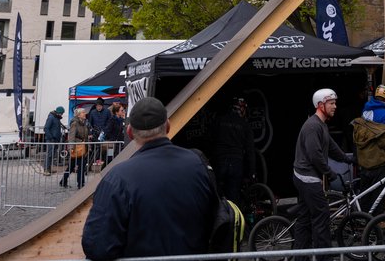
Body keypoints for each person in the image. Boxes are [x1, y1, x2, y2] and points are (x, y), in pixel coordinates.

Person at [81, 96, 221, 261]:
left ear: (130, 132)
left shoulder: (117, 178)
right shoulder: (199, 164)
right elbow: (216, 220)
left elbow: (97, 246)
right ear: (167, 126)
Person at [292, 88, 353, 252]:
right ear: (320, 105)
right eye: (331, 103)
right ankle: (324, 256)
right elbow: (315, 156)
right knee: (322, 217)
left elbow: (331, 147)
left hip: (306, 177)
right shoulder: (312, 126)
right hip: (307, 178)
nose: (335, 106)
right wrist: (329, 173)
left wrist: (348, 159)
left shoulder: (321, 125)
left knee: (304, 219)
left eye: (335, 103)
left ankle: (301, 256)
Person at [353, 84, 385, 213]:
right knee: (378, 196)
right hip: (378, 162)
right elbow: (384, 141)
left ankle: (363, 218)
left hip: (364, 162)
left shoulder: (365, 110)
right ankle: (377, 221)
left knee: (366, 193)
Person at [209, 96, 256, 205]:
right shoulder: (245, 125)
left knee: (216, 196)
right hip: (236, 163)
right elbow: (250, 151)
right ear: (242, 109)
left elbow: (209, 140)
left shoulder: (219, 120)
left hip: (219, 161)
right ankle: (232, 215)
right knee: (233, 199)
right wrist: (252, 172)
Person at [63, 107, 90, 189]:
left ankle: (65, 181)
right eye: (83, 112)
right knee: (75, 166)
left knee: (75, 166)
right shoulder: (74, 123)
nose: (85, 114)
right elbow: (71, 136)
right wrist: (71, 147)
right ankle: (80, 184)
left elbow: (85, 136)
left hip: (82, 147)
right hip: (76, 148)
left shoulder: (84, 123)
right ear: (78, 115)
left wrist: (88, 145)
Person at [43, 106, 65, 175]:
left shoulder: (56, 118)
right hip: (51, 140)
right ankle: (46, 170)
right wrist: (51, 137)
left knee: (52, 155)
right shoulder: (51, 118)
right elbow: (46, 128)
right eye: (61, 113)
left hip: (55, 139)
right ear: (58, 112)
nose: (62, 114)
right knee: (49, 155)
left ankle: (49, 169)